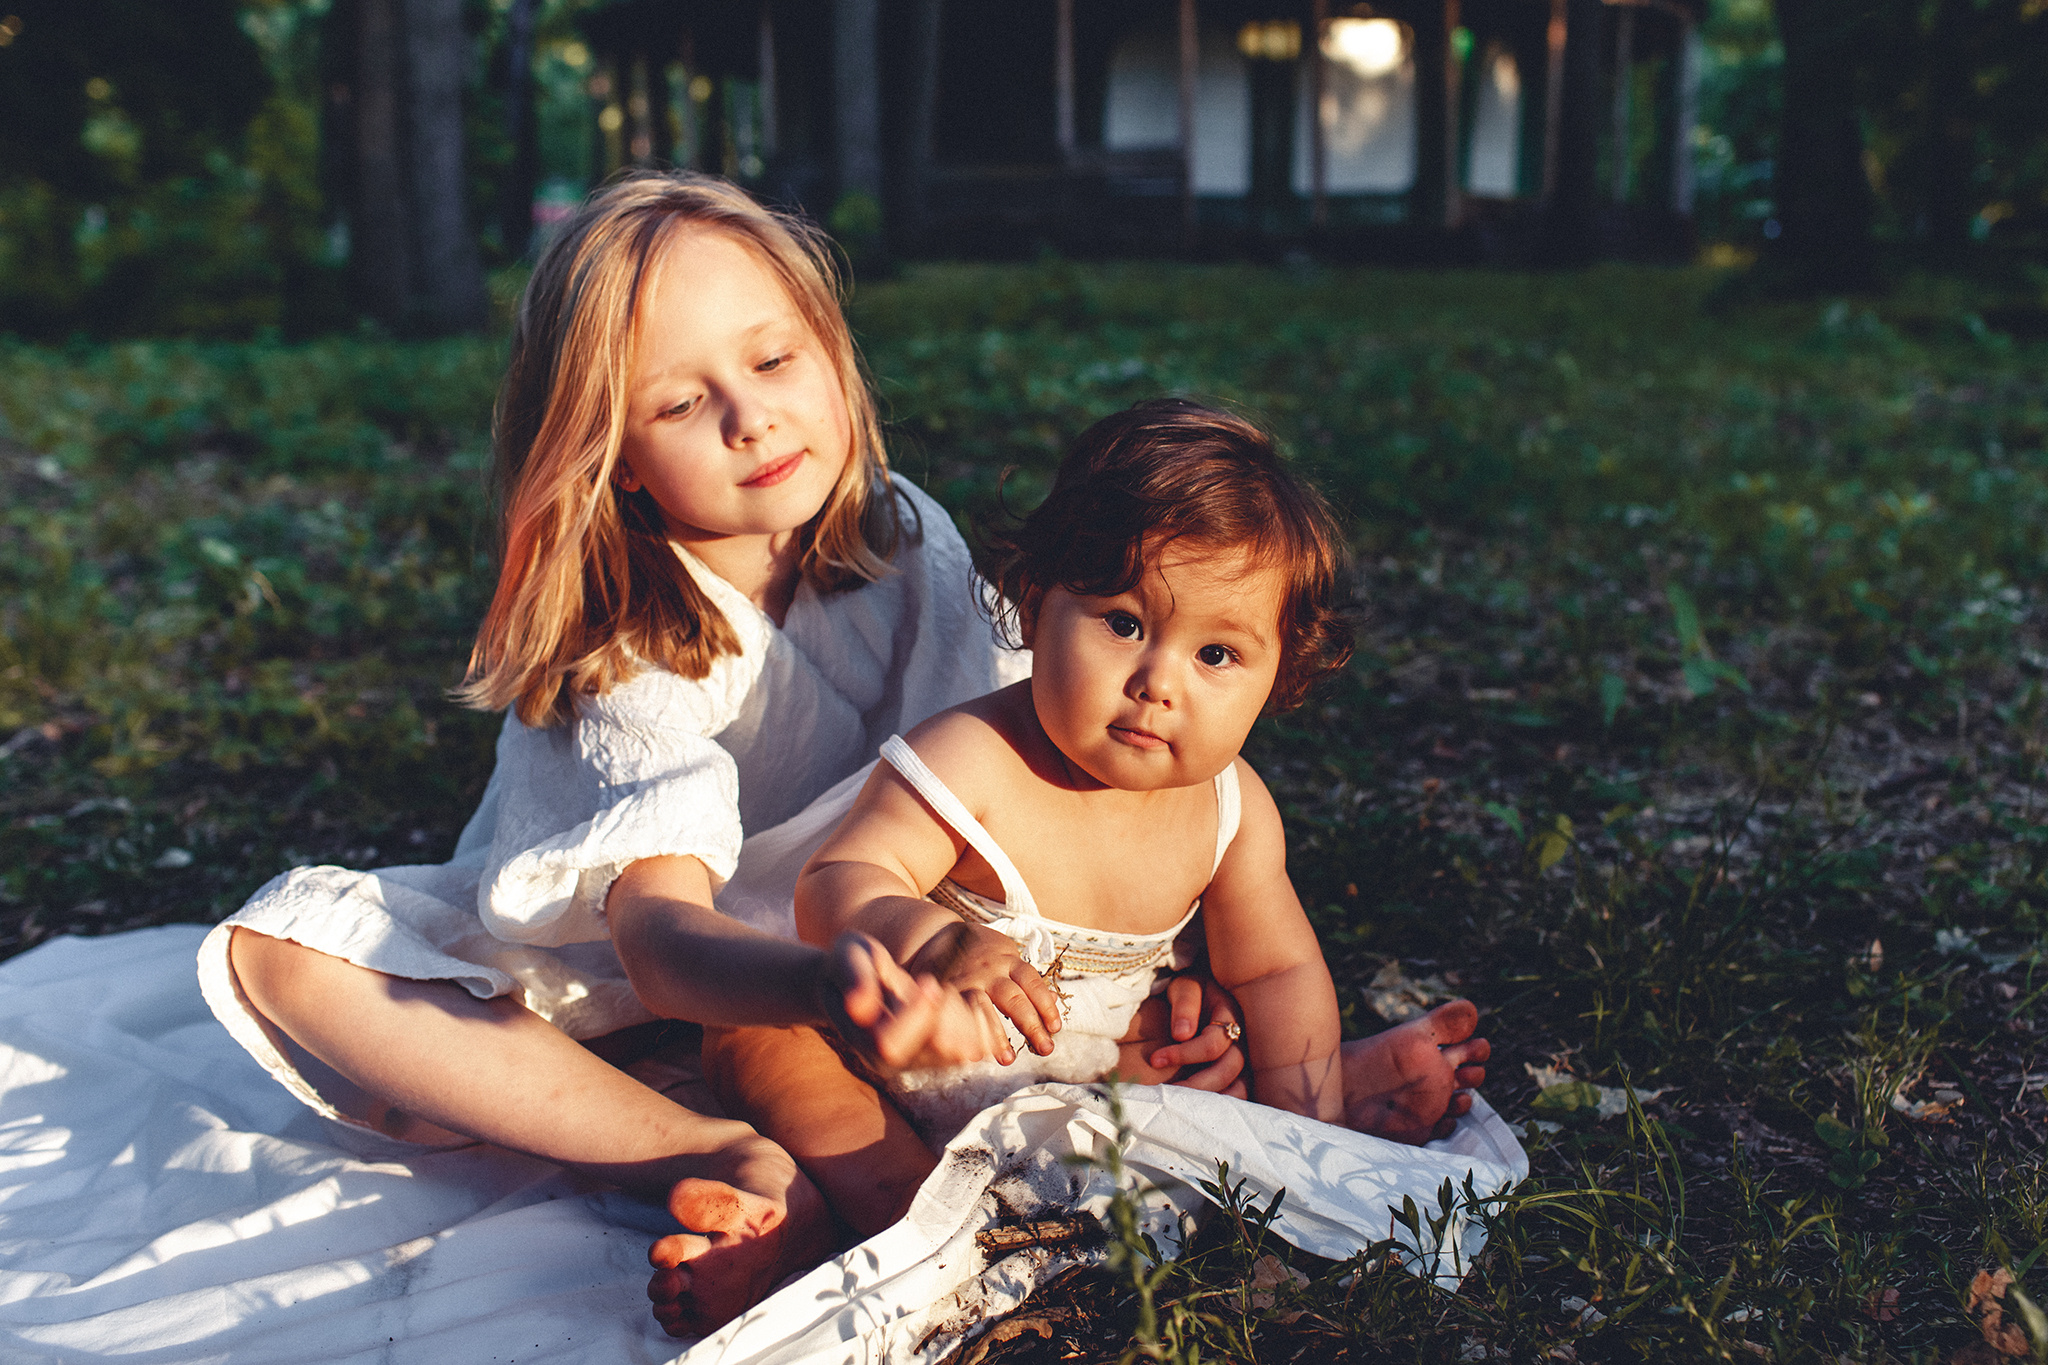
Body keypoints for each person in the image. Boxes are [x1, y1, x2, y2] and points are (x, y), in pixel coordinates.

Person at [712, 399, 1491, 1241]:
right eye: (1124, 623)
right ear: (1035, 604)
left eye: (1216, 654)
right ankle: (897, 1211)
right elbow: (837, 881)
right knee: (753, 1041)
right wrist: (929, 938)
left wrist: (1309, 1137)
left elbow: (1276, 972)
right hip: (894, 1067)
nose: (1159, 681)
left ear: (1279, 674)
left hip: (1091, 1080)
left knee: (1203, 1052)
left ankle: (1318, 1104)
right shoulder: (975, 758)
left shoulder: (1232, 813)